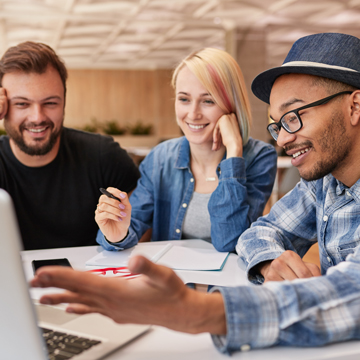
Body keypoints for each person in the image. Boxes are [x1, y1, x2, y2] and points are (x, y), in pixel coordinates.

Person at [32, 32, 360, 354]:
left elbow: (234, 240)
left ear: (355, 106)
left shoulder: (256, 157)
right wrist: (269, 262)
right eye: (277, 124)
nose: (282, 140)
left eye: (294, 116)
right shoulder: (323, 184)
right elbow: (260, 233)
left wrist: (200, 311)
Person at [95, 48, 277, 253]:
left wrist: (234, 152)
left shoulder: (259, 157)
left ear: (231, 104)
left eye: (208, 101)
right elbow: (132, 223)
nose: (193, 114)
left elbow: (230, 242)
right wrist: (117, 233)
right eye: (184, 99)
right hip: (171, 281)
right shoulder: (160, 158)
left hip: (226, 283)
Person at [0, 41, 140, 250]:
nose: (37, 117)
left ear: (64, 102)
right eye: (21, 104)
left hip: (92, 280)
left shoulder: (103, 155)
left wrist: (119, 238)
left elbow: (142, 227)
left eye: (50, 103)